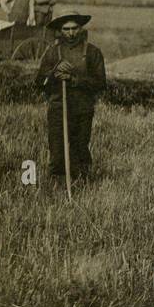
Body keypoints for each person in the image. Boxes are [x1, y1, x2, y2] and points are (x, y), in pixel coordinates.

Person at [36, 11, 107, 183]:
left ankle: (81, 183)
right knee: (57, 147)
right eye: (66, 29)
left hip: (82, 108)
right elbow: (39, 82)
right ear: (60, 31)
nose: (70, 33)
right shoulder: (52, 53)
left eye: (74, 28)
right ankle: (57, 184)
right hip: (58, 108)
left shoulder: (92, 52)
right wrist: (54, 74)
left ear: (81, 29)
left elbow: (100, 83)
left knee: (80, 147)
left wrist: (74, 79)